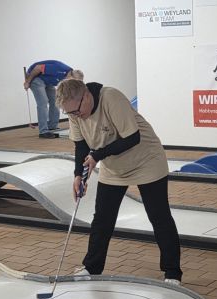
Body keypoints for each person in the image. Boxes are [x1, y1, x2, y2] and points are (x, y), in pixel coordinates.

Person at [56, 79, 183, 284]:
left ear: (86, 96)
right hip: (114, 166)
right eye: (69, 113)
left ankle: (172, 273)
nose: (75, 116)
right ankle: (91, 268)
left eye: (76, 111)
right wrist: (79, 175)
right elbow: (81, 146)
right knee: (102, 218)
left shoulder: (111, 98)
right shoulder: (75, 113)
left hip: (146, 161)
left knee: (159, 216)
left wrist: (97, 155)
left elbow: (132, 138)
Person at [23, 61, 82, 138]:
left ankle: (52, 127)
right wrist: (28, 82)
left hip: (47, 81)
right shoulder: (59, 69)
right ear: (70, 76)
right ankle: (43, 131)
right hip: (36, 78)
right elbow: (38, 68)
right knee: (43, 102)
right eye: (73, 81)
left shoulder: (67, 77)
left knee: (56, 101)